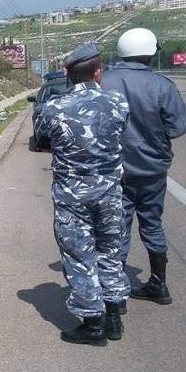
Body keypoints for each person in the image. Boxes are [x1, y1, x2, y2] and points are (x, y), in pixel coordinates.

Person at [34, 42, 131, 346]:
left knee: (79, 256)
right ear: (98, 73)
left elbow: (40, 139)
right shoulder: (118, 102)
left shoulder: (52, 108)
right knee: (111, 252)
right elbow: (120, 132)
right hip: (110, 193)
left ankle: (93, 325)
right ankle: (114, 315)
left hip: (72, 197)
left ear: (66, 74)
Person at [102, 28, 186, 307]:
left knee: (117, 228)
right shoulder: (162, 85)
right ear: (150, 53)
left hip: (115, 171)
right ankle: (158, 284)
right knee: (152, 224)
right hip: (152, 171)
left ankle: (117, 297)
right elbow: (178, 127)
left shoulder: (103, 81)